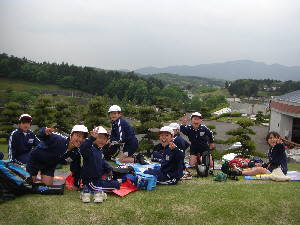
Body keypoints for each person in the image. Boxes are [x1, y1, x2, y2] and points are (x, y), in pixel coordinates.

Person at [79, 126, 120, 203]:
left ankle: (115, 181)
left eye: (104, 139)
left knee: (111, 178)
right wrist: (91, 138)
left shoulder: (99, 150)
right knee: (115, 185)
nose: (102, 140)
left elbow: (103, 161)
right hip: (90, 181)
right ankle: (87, 190)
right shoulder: (89, 149)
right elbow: (83, 148)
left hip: (98, 178)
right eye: (99, 137)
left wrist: (109, 169)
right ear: (94, 138)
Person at [224, 131, 288, 176]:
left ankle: (239, 173)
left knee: (259, 170)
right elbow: (272, 162)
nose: (272, 139)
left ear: (278, 139)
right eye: (270, 138)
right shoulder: (271, 149)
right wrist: (263, 165)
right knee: (255, 167)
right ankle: (235, 171)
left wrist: (280, 144)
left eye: (275, 138)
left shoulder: (279, 147)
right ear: (267, 140)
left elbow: (280, 149)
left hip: (280, 170)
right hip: (273, 169)